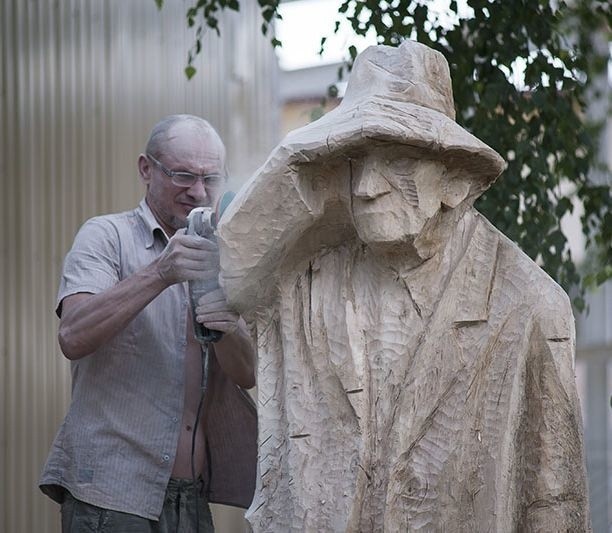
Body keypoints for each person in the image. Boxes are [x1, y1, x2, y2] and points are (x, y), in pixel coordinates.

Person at [216, 41, 590, 531]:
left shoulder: (526, 303)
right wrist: (297, 154)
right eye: (354, 161)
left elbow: (556, 499)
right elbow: (233, 275)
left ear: (455, 180)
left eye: (395, 161)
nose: (365, 186)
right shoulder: (307, 282)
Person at [40, 114, 257, 532]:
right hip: (110, 496)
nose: (197, 191)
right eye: (182, 175)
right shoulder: (106, 236)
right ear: (146, 169)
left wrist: (227, 324)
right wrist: (160, 272)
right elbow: (72, 334)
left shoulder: (228, 257)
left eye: (210, 178)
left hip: (191, 497)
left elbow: (246, 373)